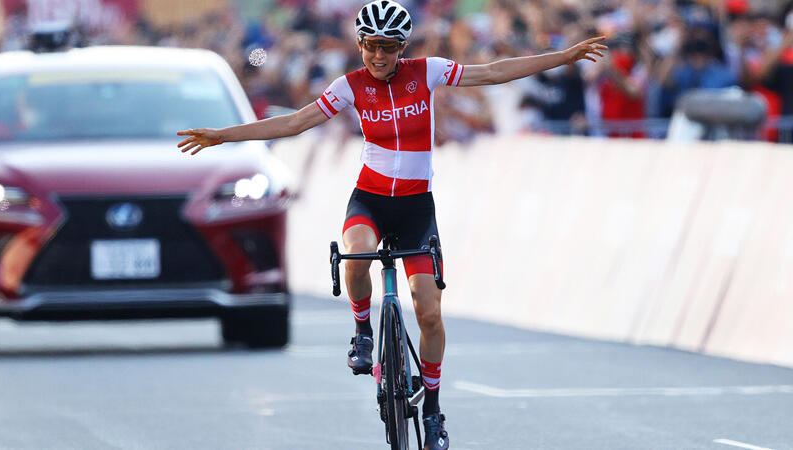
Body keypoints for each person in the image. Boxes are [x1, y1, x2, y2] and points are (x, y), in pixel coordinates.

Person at [177, 1, 606, 448]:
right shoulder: (351, 86)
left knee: (429, 313)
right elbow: (294, 122)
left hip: (416, 209)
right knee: (356, 257)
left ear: (402, 48)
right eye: (369, 46)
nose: (378, 56)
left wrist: (564, 56)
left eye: (387, 47)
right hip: (370, 201)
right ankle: (363, 331)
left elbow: (494, 72)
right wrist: (223, 135)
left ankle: (434, 409)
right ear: (360, 45)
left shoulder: (429, 71)